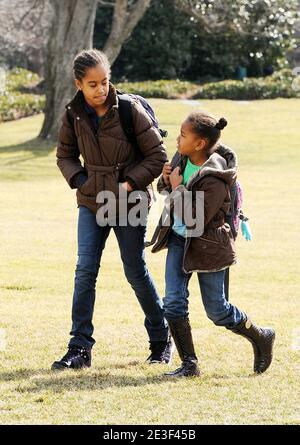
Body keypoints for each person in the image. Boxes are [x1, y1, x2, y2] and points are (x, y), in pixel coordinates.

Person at [52, 49, 173, 370]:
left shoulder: (130, 110)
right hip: (91, 203)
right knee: (84, 271)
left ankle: (161, 338)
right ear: (79, 84)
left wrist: (128, 185)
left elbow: (158, 156)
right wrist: (80, 180)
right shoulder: (72, 114)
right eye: (92, 84)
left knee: (134, 269)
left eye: (104, 82)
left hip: (130, 202)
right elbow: (64, 155)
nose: (101, 89)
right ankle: (79, 348)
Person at [151, 111, 275, 377]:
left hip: (208, 245)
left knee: (218, 311)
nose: (177, 138)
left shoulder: (217, 176)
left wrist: (175, 188)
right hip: (177, 239)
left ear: (200, 144)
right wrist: (165, 180)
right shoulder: (182, 157)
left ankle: (262, 336)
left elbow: (196, 217)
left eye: (183, 135)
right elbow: (165, 191)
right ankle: (189, 364)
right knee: (173, 303)